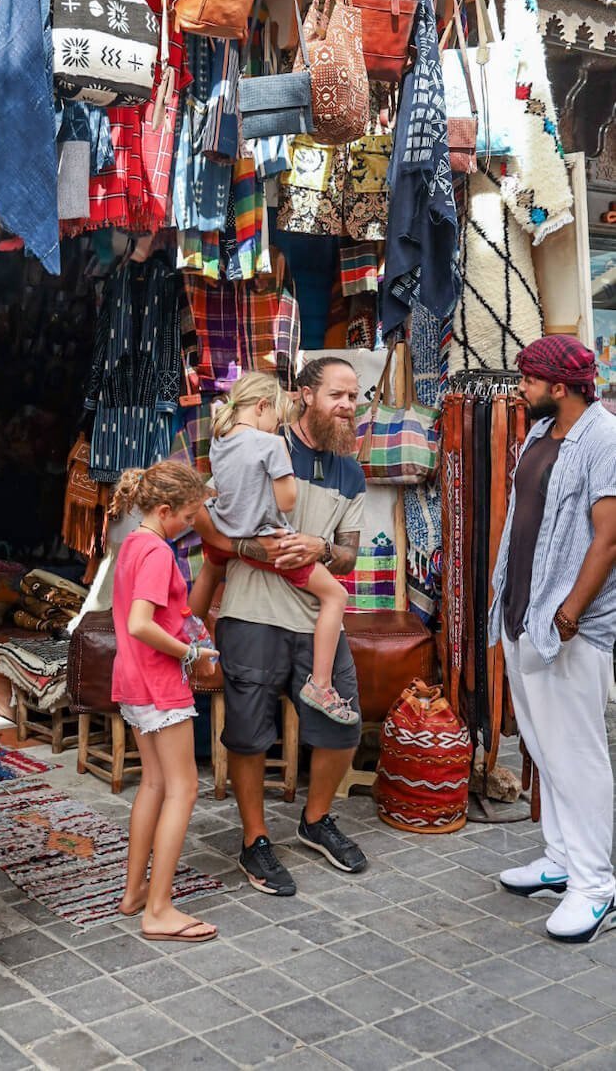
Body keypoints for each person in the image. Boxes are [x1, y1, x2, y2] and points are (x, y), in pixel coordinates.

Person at [195, 356, 368, 897]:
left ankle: (316, 820)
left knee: (345, 726)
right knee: (248, 735)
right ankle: (255, 840)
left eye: (354, 397)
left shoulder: (351, 470)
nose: (349, 406)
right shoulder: (260, 442)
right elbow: (202, 513)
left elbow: (349, 556)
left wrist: (321, 547)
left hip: (318, 619)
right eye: (338, 395)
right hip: (252, 613)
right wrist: (250, 546)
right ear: (304, 396)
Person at [489, 336, 616, 944]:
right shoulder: (541, 436)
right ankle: (562, 859)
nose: (519, 388)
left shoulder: (604, 439)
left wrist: (568, 616)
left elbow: (609, 539)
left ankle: (596, 886)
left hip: (568, 626)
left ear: (559, 388)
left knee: (578, 754)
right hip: (523, 614)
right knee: (543, 746)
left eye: (528, 380)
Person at [189, 372, 357, 726]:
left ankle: (185, 635)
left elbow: (217, 492)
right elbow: (287, 499)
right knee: (335, 596)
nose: (276, 428)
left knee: (211, 567)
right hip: (270, 541)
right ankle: (322, 685)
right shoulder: (269, 444)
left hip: (224, 528)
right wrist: (280, 467)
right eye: (276, 420)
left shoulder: (219, 439)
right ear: (262, 406)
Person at [110, 461, 221, 943]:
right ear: (164, 510)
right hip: (158, 682)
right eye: (191, 515)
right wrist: (192, 652)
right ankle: (158, 909)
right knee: (183, 788)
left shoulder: (133, 542)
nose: (194, 524)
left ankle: (135, 893)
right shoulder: (157, 551)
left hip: (133, 680)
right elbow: (141, 623)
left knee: (154, 783)